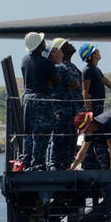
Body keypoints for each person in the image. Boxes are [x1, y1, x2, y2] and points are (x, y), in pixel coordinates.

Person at [79, 44, 111, 170]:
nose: (99, 52)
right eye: (96, 51)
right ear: (91, 55)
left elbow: (110, 84)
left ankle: (97, 164)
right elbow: (85, 92)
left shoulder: (96, 70)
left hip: (98, 107)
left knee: (97, 136)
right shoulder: (87, 70)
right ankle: (89, 165)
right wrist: (90, 111)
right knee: (92, 137)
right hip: (93, 108)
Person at [20, 31, 57, 171]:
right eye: (42, 42)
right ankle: (38, 164)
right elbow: (56, 80)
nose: (44, 43)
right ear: (38, 45)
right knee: (42, 133)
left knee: (29, 132)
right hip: (42, 98)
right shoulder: (45, 62)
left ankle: (26, 162)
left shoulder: (24, 60)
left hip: (28, 99)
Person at [46, 38, 76, 171]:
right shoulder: (61, 67)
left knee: (65, 137)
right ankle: (56, 164)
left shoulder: (61, 67)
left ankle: (59, 164)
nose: (71, 46)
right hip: (63, 108)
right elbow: (74, 84)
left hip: (67, 108)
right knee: (60, 137)